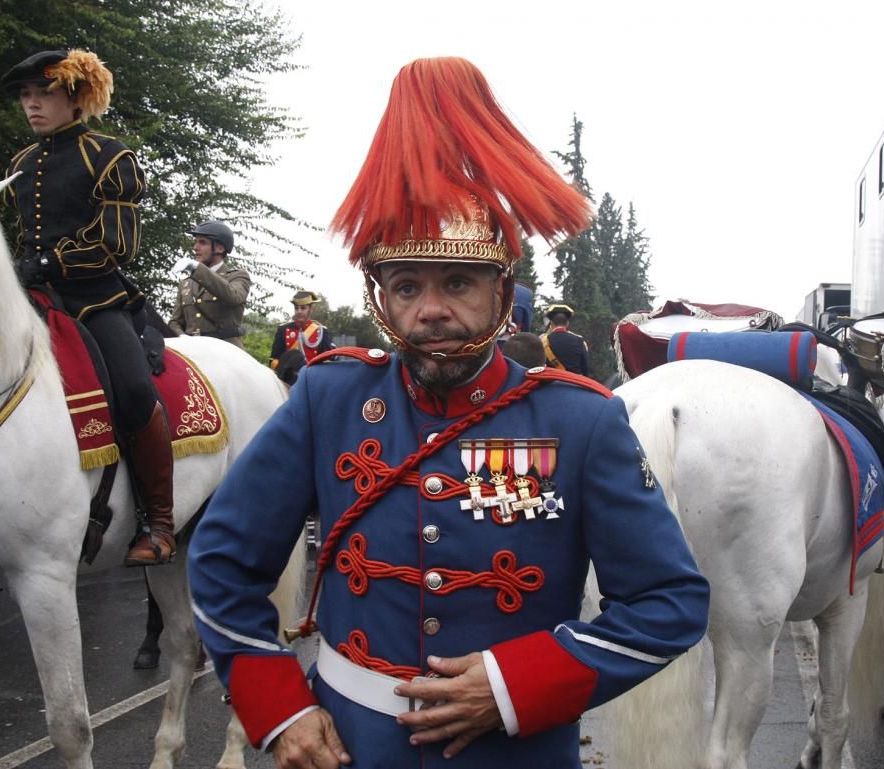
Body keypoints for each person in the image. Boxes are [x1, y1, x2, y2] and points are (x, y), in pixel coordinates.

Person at [189, 56, 709, 769]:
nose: (431, 309)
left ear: (502, 293)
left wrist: (513, 684)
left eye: (458, 282)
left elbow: (668, 600)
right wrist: (280, 710)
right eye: (407, 286)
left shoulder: (581, 421)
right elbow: (221, 562)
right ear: (382, 297)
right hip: (347, 749)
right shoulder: (327, 398)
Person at [0, 49, 173, 566]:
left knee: (134, 388)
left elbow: (116, 245)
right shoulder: (20, 165)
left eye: (44, 94)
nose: (32, 105)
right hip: (32, 300)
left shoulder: (109, 155)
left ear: (75, 97)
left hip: (96, 298)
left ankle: (158, 520)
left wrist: (51, 261)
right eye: (26, 96)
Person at [168, 220, 252, 348]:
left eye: (202, 242)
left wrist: (197, 268)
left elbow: (233, 296)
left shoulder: (238, 276)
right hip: (193, 350)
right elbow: (175, 322)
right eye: (196, 242)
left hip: (226, 351)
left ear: (220, 248)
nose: (195, 247)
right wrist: (182, 337)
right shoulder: (186, 283)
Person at [268, 290, 334, 368]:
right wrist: (284, 371)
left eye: (303, 308)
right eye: (296, 308)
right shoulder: (283, 329)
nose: (299, 311)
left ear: (310, 310)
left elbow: (327, 362)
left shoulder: (321, 332)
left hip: (311, 377)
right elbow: (273, 360)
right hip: (287, 379)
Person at [541, 303, 590, 376]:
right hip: (575, 384)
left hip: (552, 383)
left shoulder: (543, 341)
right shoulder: (579, 340)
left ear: (551, 323)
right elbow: (585, 367)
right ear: (567, 323)